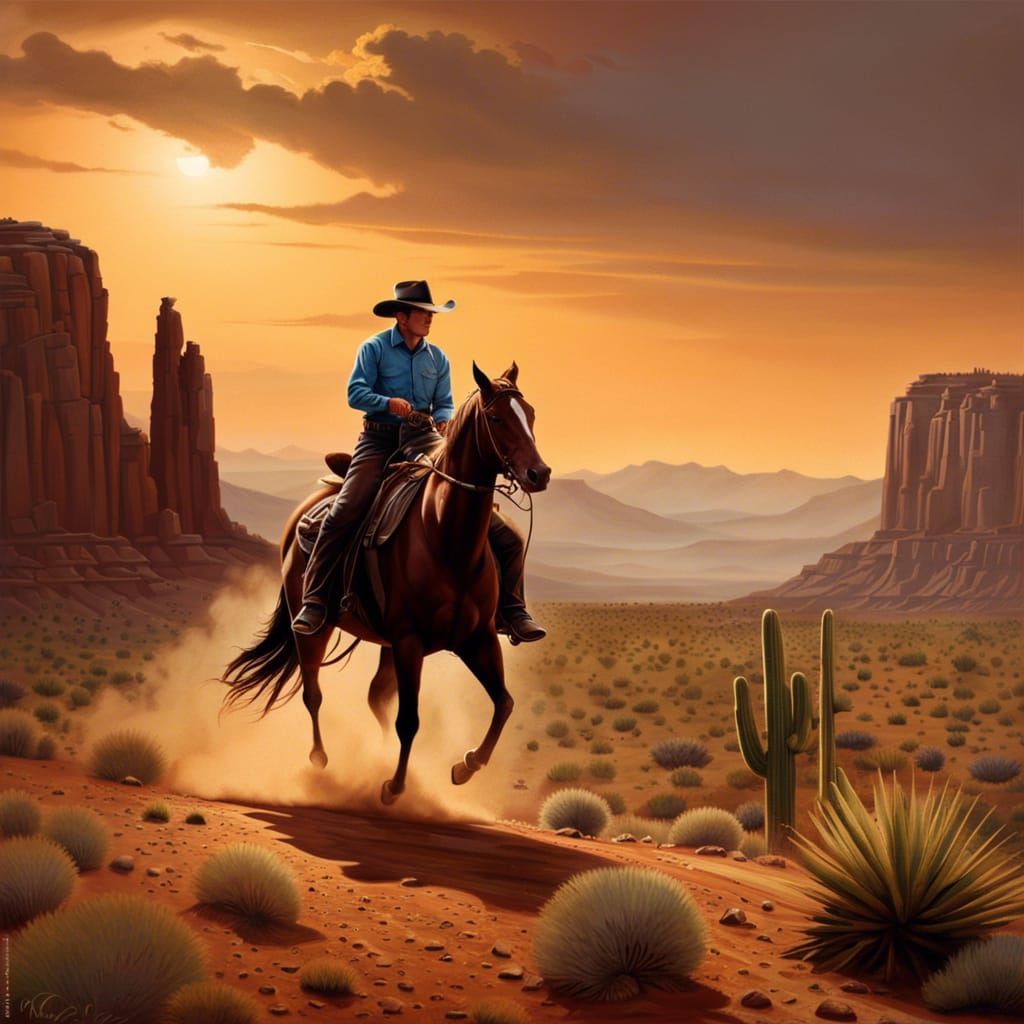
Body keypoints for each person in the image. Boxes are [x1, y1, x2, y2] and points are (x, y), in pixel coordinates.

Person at [291, 280, 546, 643]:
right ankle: (315, 599)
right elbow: (355, 392)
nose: (429, 319)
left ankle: (511, 610)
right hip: (379, 439)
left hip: (425, 438)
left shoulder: (437, 358)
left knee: (491, 523)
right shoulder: (374, 348)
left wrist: (444, 417)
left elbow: (444, 400)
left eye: (431, 314)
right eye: (423, 314)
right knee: (344, 510)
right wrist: (386, 402)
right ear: (401, 316)